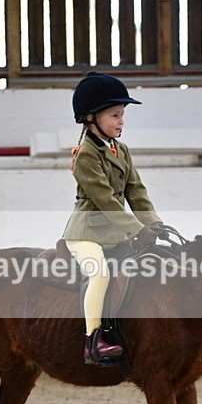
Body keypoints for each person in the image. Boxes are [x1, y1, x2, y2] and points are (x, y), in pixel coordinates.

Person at [62, 72, 164, 365]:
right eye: (115, 115)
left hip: (117, 234)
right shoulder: (85, 156)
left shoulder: (122, 150)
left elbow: (136, 191)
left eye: (122, 115)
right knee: (100, 273)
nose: (121, 121)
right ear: (90, 118)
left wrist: (153, 222)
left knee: (147, 267)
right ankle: (94, 340)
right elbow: (106, 200)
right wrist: (136, 230)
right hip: (85, 234)